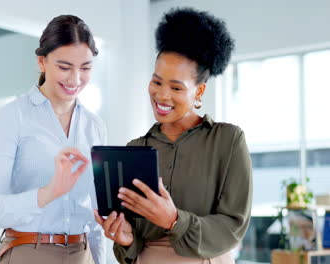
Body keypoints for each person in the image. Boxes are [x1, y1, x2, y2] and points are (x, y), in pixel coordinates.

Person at [94, 7, 252, 264]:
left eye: (176, 87)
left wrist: (174, 220)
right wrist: (125, 238)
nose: (162, 95)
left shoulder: (228, 140)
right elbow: (133, 241)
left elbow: (233, 225)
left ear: (199, 92)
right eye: (157, 82)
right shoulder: (136, 148)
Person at [0, 15, 107, 264]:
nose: (75, 79)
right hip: (28, 252)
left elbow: (95, 218)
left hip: (83, 254)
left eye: (86, 68)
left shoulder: (95, 127)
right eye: (65, 67)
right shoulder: (13, 117)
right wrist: (48, 193)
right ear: (42, 62)